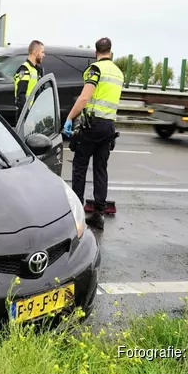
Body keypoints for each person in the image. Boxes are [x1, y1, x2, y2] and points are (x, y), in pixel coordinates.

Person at [62, 37, 123, 230]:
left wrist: (70, 118)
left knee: (80, 166)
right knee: (100, 169)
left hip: (92, 125)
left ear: (95, 53)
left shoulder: (96, 69)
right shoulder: (119, 73)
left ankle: (77, 212)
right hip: (109, 127)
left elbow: (84, 98)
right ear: (110, 52)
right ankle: (98, 214)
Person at [13, 40, 45, 124]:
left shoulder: (36, 70)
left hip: (32, 114)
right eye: (42, 52)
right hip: (24, 115)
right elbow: (21, 95)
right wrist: (28, 117)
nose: (43, 55)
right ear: (35, 52)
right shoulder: (24, 69)